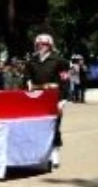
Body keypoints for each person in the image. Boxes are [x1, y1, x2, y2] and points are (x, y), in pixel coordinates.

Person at [23, 34, 69, 169]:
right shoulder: (31, 61)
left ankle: (54, 154)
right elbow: (27, 79)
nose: (40, 46)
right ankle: (40, 154)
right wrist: (28, 84)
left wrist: (63, 100)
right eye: (38, 44)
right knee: (38, 126)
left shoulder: (60, 61)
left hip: (54, 97)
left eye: (43, 44)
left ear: (50, 45)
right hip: (37, 98)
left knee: (54, 126)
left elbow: (65, 81)